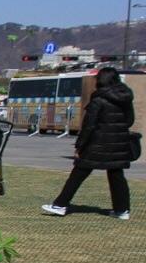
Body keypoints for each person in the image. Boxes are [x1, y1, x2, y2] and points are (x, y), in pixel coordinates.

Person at [42, 66, 135, 219]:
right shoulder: (125, 98)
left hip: (96, 144)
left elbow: (89, 126)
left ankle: (60, 204)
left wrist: (79, 146)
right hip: (118, 144)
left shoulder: (98, 99)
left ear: (100, 81)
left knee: (78, 174)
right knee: (117, 176)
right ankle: (122, 210)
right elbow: (129, 121)